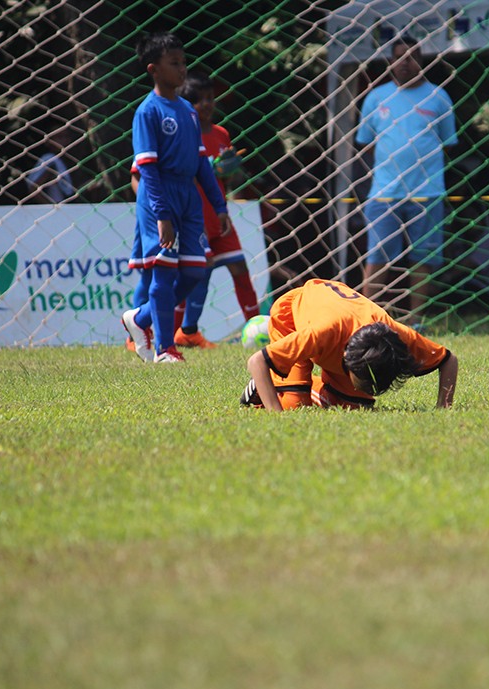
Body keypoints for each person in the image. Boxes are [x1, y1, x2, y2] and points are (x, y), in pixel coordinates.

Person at [120, 32, 231, 363]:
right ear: (154, 69)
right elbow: (148, 171)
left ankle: (140, 319)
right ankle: (164, 349)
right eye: (174, 63)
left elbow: (200, 163)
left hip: (189, 197)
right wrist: (162, 214)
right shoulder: (147, 112)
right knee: (164, 271)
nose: (182, 69)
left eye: (184, 62)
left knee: (196, 270)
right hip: (162, 196)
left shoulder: (187, 110)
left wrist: (219, 205)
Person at [355, 35, 457, 327]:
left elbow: (448, 143)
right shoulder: (375, 98)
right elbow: (365, 144)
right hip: (384, 193)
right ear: (390, 62)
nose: (405, 63)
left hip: (427, 192)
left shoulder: (439, 97)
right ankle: (367, 321)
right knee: (377, 258)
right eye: (399, 57)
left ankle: (416, 321)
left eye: (412, 56)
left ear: (421, 60)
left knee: (422, 259)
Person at [240, 278, 457, 411]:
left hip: (337, 317)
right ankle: (266, 387)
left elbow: (448, 360)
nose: (369, 391)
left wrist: (443, 407)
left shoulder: (396, 336)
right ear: (348, 361)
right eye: (364, 383)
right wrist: (275, 415)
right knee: (294, 405)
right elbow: (257, 361)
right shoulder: (320, 334)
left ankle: (307, 388)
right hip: (294, 316)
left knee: (353, 408)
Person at [171, 71, 260, 349]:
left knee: (239, 267)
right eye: (200, 100)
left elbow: (226, 178)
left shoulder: (222, 133)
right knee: (193, 276)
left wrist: (227, 171)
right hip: (192, 218)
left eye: (210, 98)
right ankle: (174, 335)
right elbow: (178, 173)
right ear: (188, 105)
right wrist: (207, 169)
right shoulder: (181, 134)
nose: (208, 104)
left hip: (219, 217)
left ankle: (257, 327)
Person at [25, 125, 77, 204]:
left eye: (66, 137)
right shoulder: (50, 161)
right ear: (48, 141)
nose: (64, 140)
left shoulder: (65, 161)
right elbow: (34, 189)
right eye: (59, 137)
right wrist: (51, 205)